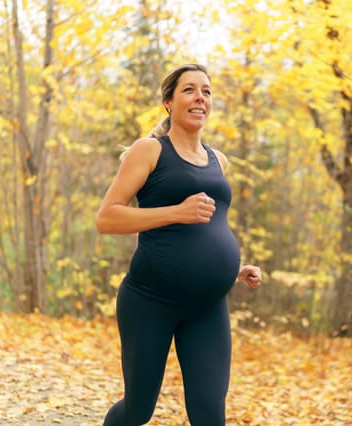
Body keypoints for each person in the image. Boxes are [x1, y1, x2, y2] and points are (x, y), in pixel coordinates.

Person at [96, 63, 262, 426]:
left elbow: (207, 229)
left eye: (206, 90)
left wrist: (232, 270)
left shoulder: (219, 161)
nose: (200, 97)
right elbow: (107, 218)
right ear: (169, 102)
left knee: (209, 415)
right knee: (138, 410)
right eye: (189, 89)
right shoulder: (150, 150)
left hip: (207, 306)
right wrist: (175, 211)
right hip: (150, 301)